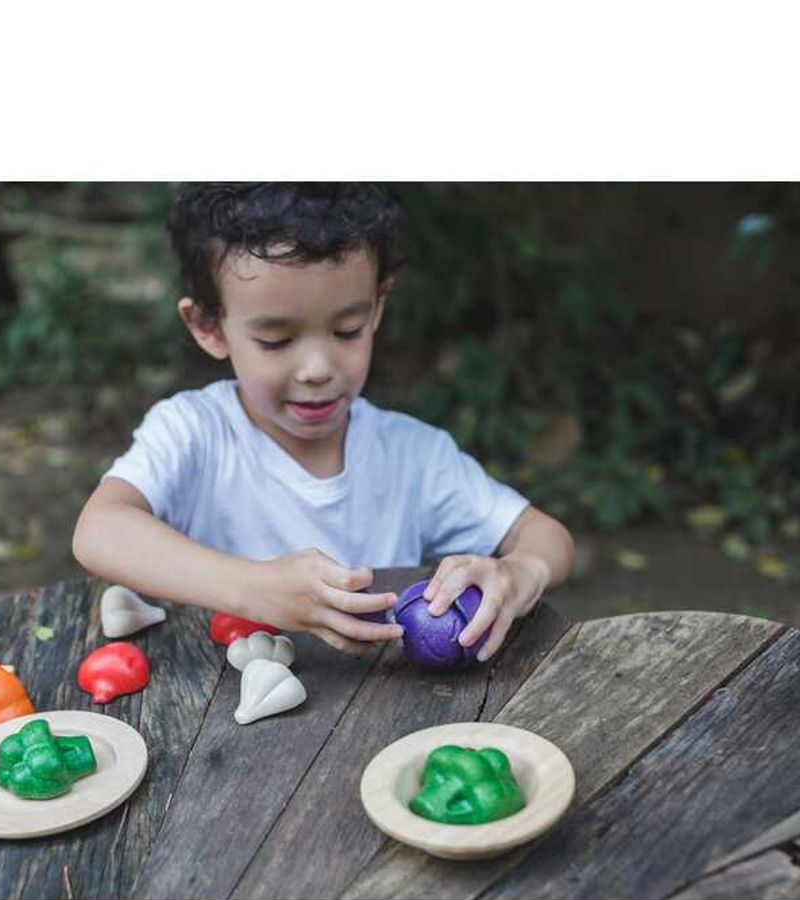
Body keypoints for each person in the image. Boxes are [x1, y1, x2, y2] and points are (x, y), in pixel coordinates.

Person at [72, 183, 575, 659]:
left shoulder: (413, 456)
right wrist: (256, 590)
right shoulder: (194, 431)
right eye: (276, 340)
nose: (317, 369)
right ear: (209, 326)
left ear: (377, 307)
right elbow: (100, 529)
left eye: (347, 330)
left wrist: (520, 573)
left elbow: (545, 536)